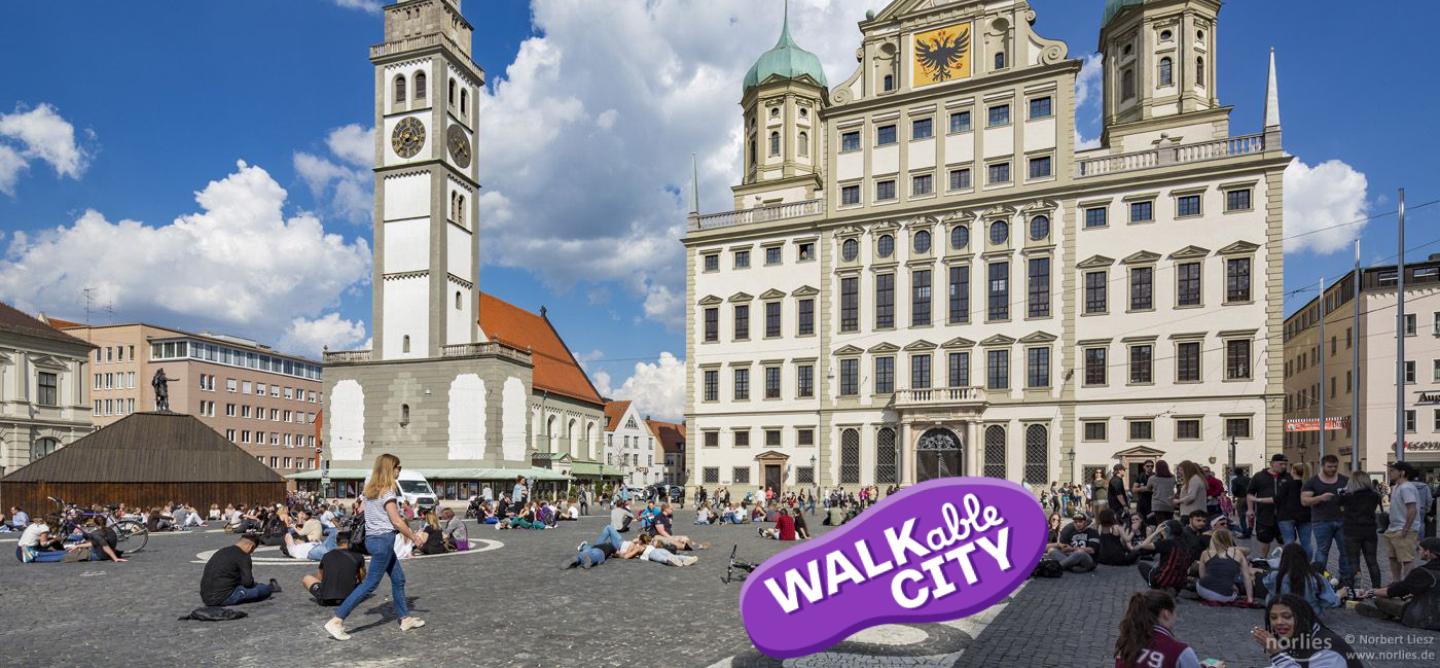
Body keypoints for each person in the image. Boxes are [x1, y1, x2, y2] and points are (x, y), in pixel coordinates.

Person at [326, 453, 425, 640]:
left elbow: (361, 511)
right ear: (390, 468)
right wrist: (414, 537)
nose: (399, 470)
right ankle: (337, 619)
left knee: (399, 579)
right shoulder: (387, 491)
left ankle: (405, 618)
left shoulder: (369, 491)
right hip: (383, 541)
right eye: (398, 467)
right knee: (370, 584)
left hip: (374, 540)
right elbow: (396, 521)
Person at [1251, 594, 1364, 667]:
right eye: (1274, 617)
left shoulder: (1326, 649)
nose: (1279, 622)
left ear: (1302, 617)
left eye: (1287, 616)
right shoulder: (1295, 636)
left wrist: (1276, 653)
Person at [1355, 536, 1440, 630]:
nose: (1418, 552)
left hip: (1423, 617)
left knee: (1380, 599)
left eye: (1419, 549)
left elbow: (1396, 591)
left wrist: (1371, 592)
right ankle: (1386, 613)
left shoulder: (1423, 572)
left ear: (1427, 552)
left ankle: (1385, 613)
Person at [1113, 590, 1202, 668]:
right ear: (1166, 614)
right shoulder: (1179, 651)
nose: (1176, 617)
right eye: (1175, 612)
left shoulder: (1126, 643)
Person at [1303, 454, 1351, 586]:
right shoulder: (1313, 481)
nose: (1333, 469)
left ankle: (1345, 580)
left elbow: (1354, 497)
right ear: (1322, 466)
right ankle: (1320, 578)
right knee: (1322, 551)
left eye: (1335, 466)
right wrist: (1320, 498)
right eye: (1329, 467)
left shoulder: (1345, 480)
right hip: (1321, 521)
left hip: (1342, 520)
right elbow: (1304, 501)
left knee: (1345, 551)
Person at [200, 533, 279, 606]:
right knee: (261, 588)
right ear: (251, 547)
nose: (251, 552)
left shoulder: (222, 551)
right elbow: (248, 583)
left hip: (205, 596)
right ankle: (271, 587)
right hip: (222, 598)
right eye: (253, 550)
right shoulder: (243, 556)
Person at [1262, 543, 1341, 616]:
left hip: (1282, 613)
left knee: (1271, 594)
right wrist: (1339, 595)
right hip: (1309, 615)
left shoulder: (1275, 576)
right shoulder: (1315, 578)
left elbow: (1266, 585)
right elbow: (1328, 601)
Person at [1338, 471, 1384, 590]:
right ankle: (1377, 589)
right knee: (1372, 561)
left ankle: (1356, 589)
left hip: (1352, 531)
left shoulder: (1347, 497)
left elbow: (1337, 505)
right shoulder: (1375, 496)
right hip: (1369, 531)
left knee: (1354, 561)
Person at [1384, 461, 1423, 582]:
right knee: (1393, 558)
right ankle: (1396, 583)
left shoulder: (1407, 487)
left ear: (1402, 473)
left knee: (1406, 559)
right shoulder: (1396, 487)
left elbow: (1412, 510)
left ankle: (1408, 586)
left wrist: (1406, 528)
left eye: (1393, 471)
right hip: (1393, 528)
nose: (1390, 473)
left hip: (1404, 529)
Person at [303, 532, 366, 607]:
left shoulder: (326, 556)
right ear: (350, 542)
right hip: (349, 598)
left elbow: (320, 578)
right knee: (366, 584)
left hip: (326, 599)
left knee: (307, 578)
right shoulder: (358, 556)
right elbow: (361, 576)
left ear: (336, 542)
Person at [1196, 527, 1254, 604]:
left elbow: (1202, 575)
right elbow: (1246, 577)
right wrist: (1250, 598)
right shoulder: (1238, 553)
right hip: (1224, 596)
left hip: (1203, 590)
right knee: (1235, 589)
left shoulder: (1205, 553)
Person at [1249, 454, 1291, 558]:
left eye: (1285, 464)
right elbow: (1250, 494)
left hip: (1284, 516)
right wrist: (1250, 510)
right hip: (1264, 515)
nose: (1284, 466)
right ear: (1272, 463)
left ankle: (1285, 561)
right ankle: (1264, 560)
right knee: (1264, 540)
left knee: (1285, 541)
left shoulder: (1288, 477)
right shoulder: (1259, 476)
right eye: (1281, 464)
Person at [1137, 520, 1193, 592]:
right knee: (1159, 566)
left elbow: (1143, 545)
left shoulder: (1167, 543)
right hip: (1180, 583)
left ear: (1166, 530)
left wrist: (1155, 532)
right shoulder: (1185, 544)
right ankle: (1171, 589)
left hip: (1163, 580)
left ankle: (1158, 588)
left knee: (1142, 565)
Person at [1277, 462, 1313, 561]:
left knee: (1289, 542)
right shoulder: (1308, 485)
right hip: (1305, 516)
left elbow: (1278, 499)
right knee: (1307, 543)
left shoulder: (1287, 484)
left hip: (1286, 516)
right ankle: (1307, 565)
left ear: (1294, 470)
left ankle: (1290, 565)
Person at [617, 533, 697, 567]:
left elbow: (627, 556)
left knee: (662, 559)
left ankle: (672, 561)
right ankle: (688, 559)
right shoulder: (648, 544)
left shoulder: (638, 546)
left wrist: (618, 555)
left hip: (651, 554)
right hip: (659, 550)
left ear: (640, 540)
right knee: (673, 555)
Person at [1146, 460, 1177, 526]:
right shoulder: (1173, 477)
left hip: (1158, 504)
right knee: (1169, 524)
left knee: (1161, 525)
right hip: (1169, 504)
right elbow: (1174, 486)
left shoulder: (1152, 478)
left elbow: (1148, 488)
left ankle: (1162, 535)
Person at [1230, 468, 1252, 539]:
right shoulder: (1249, 479)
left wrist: (1235, 496)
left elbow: (1234, 490)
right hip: (1250, 498)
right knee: (1250, 515)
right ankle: (1250, 530)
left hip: (1241, 498)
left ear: (1235, 473)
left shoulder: (1234, 480)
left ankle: (1245, 532)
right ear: (1243, 472)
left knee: (1242, 516)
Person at [1132, 461, 1154, 525]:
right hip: (1141, 502)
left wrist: (1148, 489)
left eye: (1152, 466)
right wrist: (1143, 488)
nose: (1150, 467)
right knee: (1140, 521)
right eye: (1148, 466)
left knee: (1151, 522)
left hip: (1152, 503)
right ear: (1144, 467)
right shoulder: (1140, 476)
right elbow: (1134, 489)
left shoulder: (1155, 476)